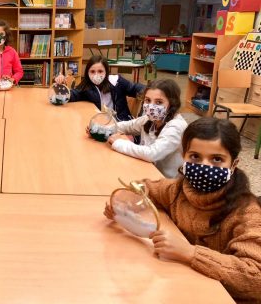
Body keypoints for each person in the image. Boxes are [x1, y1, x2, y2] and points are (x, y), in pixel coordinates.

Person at [104, 117, 261, 302]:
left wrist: (190, 253)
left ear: (233, 165)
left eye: (217, 159)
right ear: (183, 157)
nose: (204, 166)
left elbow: (255, 278)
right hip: (179, 287)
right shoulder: (178, 189)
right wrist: (124, 205)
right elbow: (145, 188)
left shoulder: (247, 213)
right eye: (195, 157)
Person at [107, 79, 187, 178]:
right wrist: (101, 128)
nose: (151, 106)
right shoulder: (148, 119)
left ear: (172, 104)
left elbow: (152, 154)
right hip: (146, 171)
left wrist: (118, 143)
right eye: (148, 100)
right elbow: (126, 126)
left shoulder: (176, 126)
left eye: (158, 102)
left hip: (165, 182)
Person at [55, 55, 144, 121]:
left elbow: (134, 88)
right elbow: (72, 95)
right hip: (100, 122)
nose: (96, 75)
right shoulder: (87, 86)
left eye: (100, 71)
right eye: (92, 71)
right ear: (87, 73)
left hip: (121, 124)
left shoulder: (116, 82)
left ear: (106, 72)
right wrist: (60, 86)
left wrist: (150, 91)